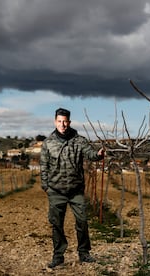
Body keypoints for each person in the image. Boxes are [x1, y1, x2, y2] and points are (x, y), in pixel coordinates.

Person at [40, 108, 104, 268]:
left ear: (69, 122)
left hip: (76, 191)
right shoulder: (48, 143)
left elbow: (90, 153)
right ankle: (58, 256)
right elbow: (43, 166)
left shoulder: (79, 140)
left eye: (65, 121)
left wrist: (99, 155)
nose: (63, 124)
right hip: (56, 191)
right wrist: (46, 186)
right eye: (59, 121)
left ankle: (84, 253)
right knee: (57, 224)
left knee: (82, 221)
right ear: (55, 122)